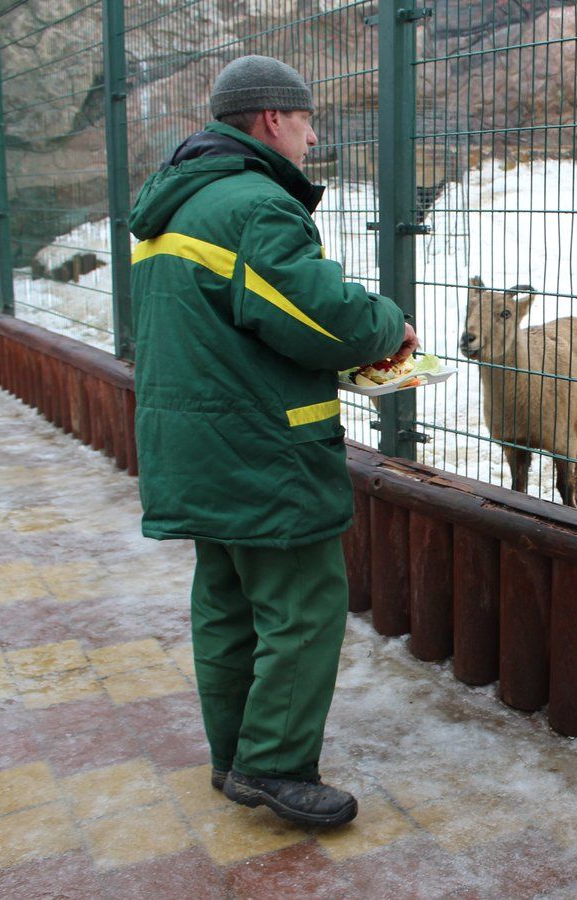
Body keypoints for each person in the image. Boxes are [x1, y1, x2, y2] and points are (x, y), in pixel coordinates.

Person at [129, 55, 416, 828]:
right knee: (301, 606)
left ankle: (234, 757)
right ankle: (277, 764)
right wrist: (388, 325)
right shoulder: (254, 206)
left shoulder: (173, 207)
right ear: (269, 121)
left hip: (191, 445)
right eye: (306, 119)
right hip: (260, 450)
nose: (314, 136)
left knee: (225, 603)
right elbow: (320, 317)